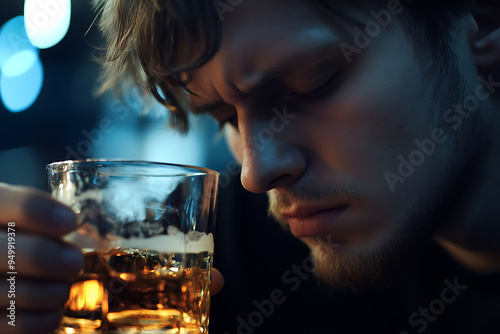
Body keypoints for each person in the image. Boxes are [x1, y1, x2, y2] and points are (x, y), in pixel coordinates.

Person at [1, 0, 499, 333]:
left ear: (482, 24)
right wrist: (20, 296)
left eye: (314, 83)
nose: (255, 174)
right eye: (223, 118)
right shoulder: (235, 253)